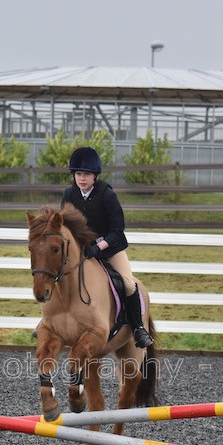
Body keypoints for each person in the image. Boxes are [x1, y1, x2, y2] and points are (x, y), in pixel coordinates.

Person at [61, 146, 153, 348]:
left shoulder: (107, 195)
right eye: (78, 174)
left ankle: (138, 328)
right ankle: (50, 323)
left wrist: (99, 247)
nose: (82, 178)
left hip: (111, 247)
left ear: (95, 176)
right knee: (59, 277)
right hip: (82, 251)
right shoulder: (69, 194)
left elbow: (117, 229)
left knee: (128, 284)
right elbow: (65, 228)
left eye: (86, 174)